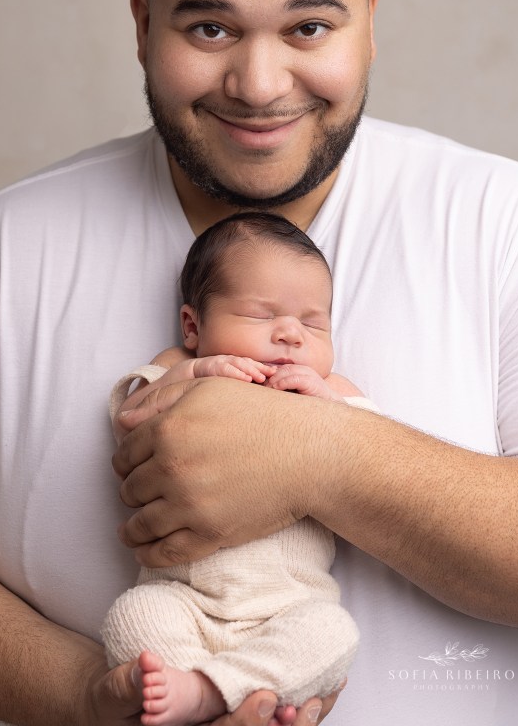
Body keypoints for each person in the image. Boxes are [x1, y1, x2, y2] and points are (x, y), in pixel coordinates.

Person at [0, 0, 518, 726]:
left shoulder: (508, 224)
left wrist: (321, 458)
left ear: (369, 22)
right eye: (210, 29)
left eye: (309, 28)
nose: (259, 87)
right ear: (142, 23)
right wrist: (90, 698)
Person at [102, 211, 379, 726]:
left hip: (288, 609)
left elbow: (374, 464)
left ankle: (209, 691)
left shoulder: (334, 392)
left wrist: (327, 407)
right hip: (185, 599)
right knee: (133, 615)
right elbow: (131, 419)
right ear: (193, 326)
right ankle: (202, 693)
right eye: (260, 315)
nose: (291, 335)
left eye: (313, 323)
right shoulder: (179, 368)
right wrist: (196, 372)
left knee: (333, 631)